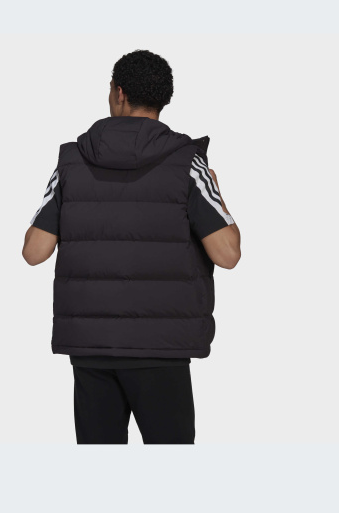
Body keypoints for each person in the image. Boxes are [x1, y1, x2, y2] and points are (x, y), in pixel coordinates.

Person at [22, 49, 241, 444]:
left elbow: (34, 252)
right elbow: (227, 254)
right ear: (163, 99)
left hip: (90, 348)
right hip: (162, 349)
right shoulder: (188, 162)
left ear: (119, 92)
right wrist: (216, 192)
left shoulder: (71, 161)